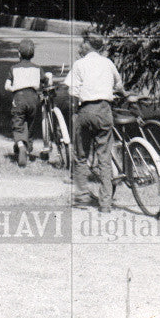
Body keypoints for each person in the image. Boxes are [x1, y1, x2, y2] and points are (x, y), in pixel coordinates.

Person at [65, 33, 124, 214]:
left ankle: (82, 196)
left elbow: (73, 92)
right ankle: (105, 203)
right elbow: (119, 86)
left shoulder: (79, 64)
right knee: (104, 157)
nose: (80, 47)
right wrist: (120, 93)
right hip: (105, 111)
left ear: (89, 45)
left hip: (86, 110)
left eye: (83, 43)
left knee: (81, 155)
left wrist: (76, 112)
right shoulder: (108, 63)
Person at [4, 38, 43, 167]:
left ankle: (20, 144)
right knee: (30, 123)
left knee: (18, 122)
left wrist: (13, 88)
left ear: (19, 54)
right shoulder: (38, 69)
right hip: (33, 99)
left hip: (19, 98)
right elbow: (45, 81)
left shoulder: (14, 68)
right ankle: (28, 146)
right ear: (33, 55)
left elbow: (7, 86)